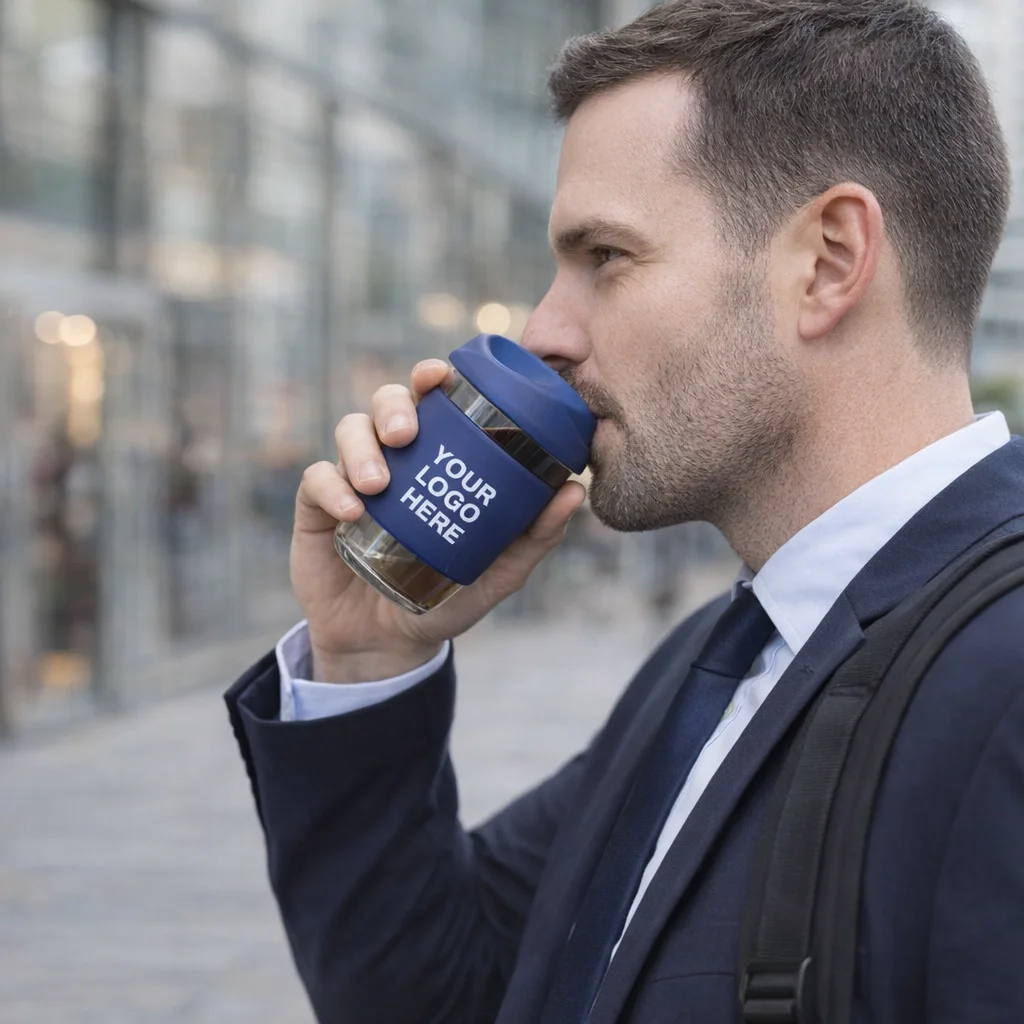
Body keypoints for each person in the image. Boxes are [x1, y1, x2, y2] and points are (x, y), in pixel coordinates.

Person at [225, 2, 1024, 1021]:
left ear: (828, 260)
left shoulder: (1003, 681)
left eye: (605, 255)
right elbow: (445, 994)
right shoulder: (723, 652)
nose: (544, 330)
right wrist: (369, 662)